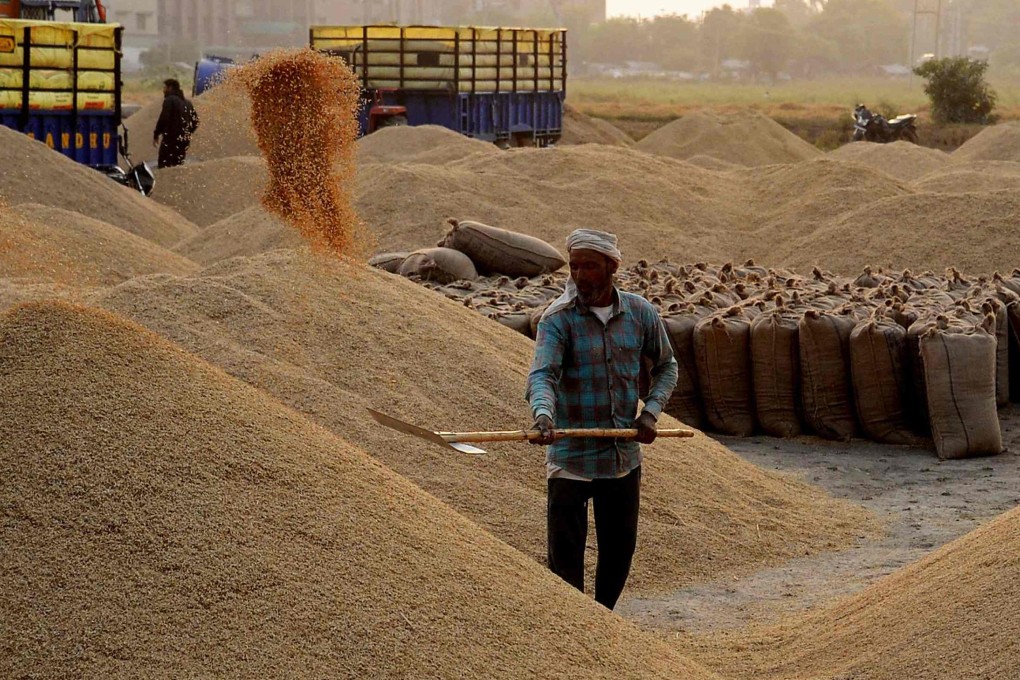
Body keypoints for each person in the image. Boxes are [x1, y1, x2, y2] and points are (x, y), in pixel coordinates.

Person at [525, 228, 678, 610]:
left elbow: (667, 366)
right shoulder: (557, 320)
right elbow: (542, 375)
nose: (579, 275)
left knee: (618, 552)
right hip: (571, 459)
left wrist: (651, 412)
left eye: (590, 267)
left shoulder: (640, 313)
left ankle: (605, 624)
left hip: (621, 458)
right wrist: (543, 415)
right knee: (564, 562)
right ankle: (572, 626)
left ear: (612, 267)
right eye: (574, 266)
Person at [153, 78, 199, 168]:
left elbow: (164, 118)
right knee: (177, 167)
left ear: (170, 88)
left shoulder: (169, 100)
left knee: (164, 167)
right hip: (183, 142)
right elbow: (196, 121)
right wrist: (187, 133)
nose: (163, 90)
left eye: (164, 88)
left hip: (170, 140)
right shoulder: (188, 103)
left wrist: (156, 134)